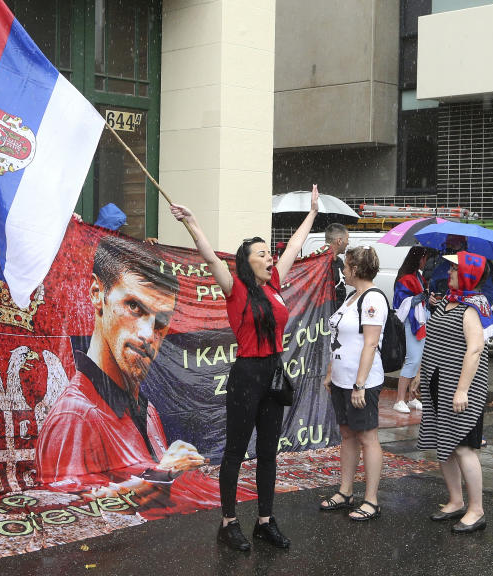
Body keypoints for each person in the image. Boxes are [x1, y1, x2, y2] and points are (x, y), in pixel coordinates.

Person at [169, 185, 321, 551]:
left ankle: (265, 522)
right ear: (248, 261)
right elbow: (209, 257)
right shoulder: (235, 288)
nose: (271, 257)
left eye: (271, 253)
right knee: (236, 451)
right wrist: (192, 222)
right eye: (263, 254)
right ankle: (229, 522)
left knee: (269, 451)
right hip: (246, 376)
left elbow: (296, 247)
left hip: (273, 373)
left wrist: (313, 213)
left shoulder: (275, 284)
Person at [35, 236, 214, 510]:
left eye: (161, 321)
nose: (147, 335)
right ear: (97, 294)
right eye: (134, 306)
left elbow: (151, 505)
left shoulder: (147, 410)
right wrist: (161, 474)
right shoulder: (75, 416)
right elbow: (65, 514)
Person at [413, 251, 492, 534]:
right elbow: (432, 340)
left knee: (464, 447)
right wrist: (420, 375)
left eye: (456, 270)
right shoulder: (448, 300)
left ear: (469, 274)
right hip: (438, 382)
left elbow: (474, 350)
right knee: (443, 443)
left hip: (461, 388)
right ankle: (456, 501)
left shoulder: (473, 307)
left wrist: (462, 390)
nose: (450, 273)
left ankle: (476, 510)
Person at [319, 246, 386, 521]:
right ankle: (345, 491)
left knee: (367, 437)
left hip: (362, 382)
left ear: (355, 269)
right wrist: (331, 372)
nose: (343, 270)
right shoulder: (350, 297)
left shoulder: (372, 299)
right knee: (347, 434)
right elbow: (341, 339)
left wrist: (360, 385)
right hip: (341, 380)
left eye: (346, 266)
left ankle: (371, 500)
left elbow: (370, 343)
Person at [393, 246, 429, 413]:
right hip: (412, 321)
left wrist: (427, 298)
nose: (426, 261)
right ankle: (400, 399)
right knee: (413, 360)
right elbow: (400, 302)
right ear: (419, 258)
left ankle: (411, 397)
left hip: (420, 319)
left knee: (418, 360)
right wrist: (421, 297)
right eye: (425, 258)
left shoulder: (417, 276)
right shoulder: (407, 278)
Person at [313, 223, 350, 306]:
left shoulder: (340, 262)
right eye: (347, 239)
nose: (348, 243)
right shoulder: (320, 263)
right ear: (339, 241)